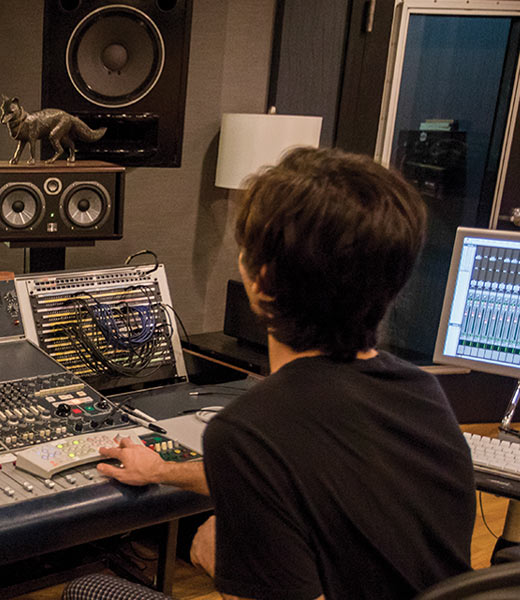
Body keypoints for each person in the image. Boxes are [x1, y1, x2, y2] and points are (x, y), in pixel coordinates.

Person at [80, 148, 475, 599]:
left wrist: (216, 560)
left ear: (259, 279)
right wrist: (163, 468)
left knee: (90, 590)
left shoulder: (247, 432)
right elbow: (303, 475)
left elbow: (272, 465)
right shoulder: (422, 393)